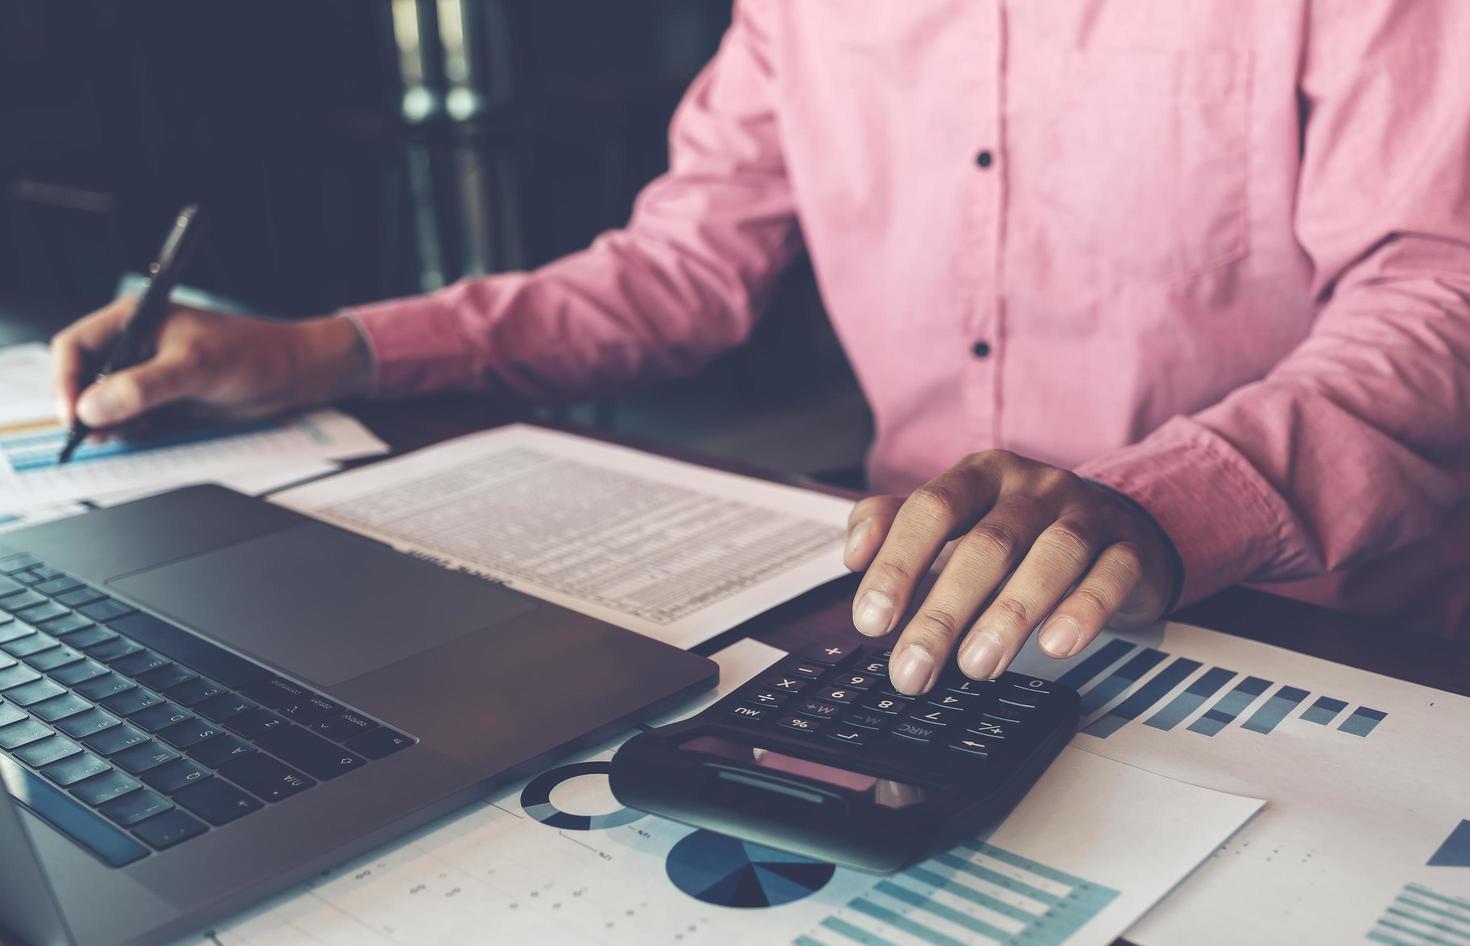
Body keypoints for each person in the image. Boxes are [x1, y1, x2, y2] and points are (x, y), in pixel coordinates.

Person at [51, 2, 1470, 696]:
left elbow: (1436, 295)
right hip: (903, 613)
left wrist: (1166, 500)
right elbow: (679, 275)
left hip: (1302, 629)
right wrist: (322, 350)